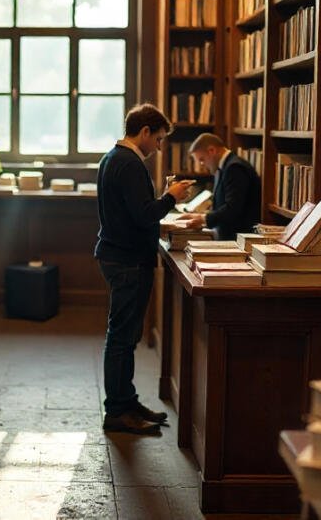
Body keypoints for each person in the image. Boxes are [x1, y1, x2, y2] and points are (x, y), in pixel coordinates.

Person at [95, 103, 193, 435]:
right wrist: (171, 197)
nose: (159, 147)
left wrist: (163, 197)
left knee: (124, 336)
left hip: (118, 256)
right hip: (128, 261)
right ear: (145, 132)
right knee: (122, 338)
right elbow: (144, 215)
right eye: (160, 139)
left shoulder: (112, 157)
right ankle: (118, 410)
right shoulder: (130, 163)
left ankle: (126, 400)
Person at [178, 133, 261, 241]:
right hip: (228, 238)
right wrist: (200, 216)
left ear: (212, 150)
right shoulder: (222, 167)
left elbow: (233, 208)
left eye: (202, 159)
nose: (202, 165)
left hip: (238, 241)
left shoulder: (234, 168)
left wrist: (203, 218)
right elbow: (222, 206)